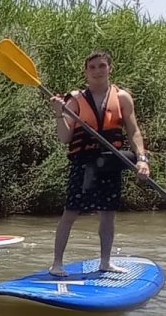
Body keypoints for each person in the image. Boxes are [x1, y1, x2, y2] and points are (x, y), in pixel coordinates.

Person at [49, 50, 152, 276]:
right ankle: (57, 263)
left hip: (110, 162)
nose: (97, 71)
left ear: (110, 69)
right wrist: (59, 114)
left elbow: (134, 131)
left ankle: (105, 262)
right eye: (92, 67)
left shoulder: (122, 98)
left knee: (108, 214)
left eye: (102, 66)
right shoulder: (75, 99)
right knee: (71, 213)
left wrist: (142, 160)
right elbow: (65, 138)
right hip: (84, 163)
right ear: (86, 72)